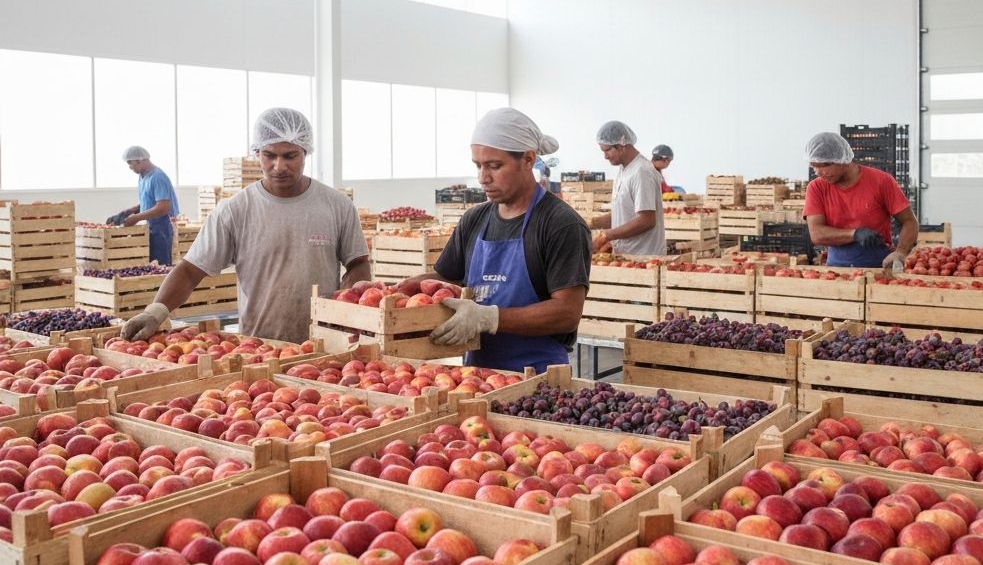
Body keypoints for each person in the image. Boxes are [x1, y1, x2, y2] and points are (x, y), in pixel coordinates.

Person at [120, 108, 370, 344]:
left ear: (305, 152)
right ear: (257, 153)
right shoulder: (235, 210)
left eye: (290, 156)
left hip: (325, 345)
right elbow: (190, 270)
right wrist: (155, 312)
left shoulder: (337, 205)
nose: (279, 166)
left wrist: (352, 303)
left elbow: (357, 263)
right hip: (259, 349)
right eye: (269, 155)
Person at [397, 107, 592, 372]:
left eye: (494, 166)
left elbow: (567, 313)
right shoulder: (475, 219)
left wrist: (489, 317)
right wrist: (405, 288)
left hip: (540, 377)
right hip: (475, 376)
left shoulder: (560, 224)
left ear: (528, 159)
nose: (483, 178)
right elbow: (449, 278)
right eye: (478, 165)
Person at [804, 131, 918, 269]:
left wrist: (901, 251)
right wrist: (855, 234)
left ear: (843, 160)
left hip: (879, 267)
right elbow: (817, 234)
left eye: (825, 165)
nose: (818, 172)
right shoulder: (816, 188)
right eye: (814, 165)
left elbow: (909, 221)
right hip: (836, 269)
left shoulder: (881, 181)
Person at [590, 122, 666, 256]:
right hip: (627, 256)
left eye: (607, 150)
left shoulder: (641, 171)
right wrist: (590, 223)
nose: (605, 156)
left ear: (621, 146)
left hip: (644, 258)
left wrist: (607, 235)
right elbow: (623, 214)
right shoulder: (623, 170)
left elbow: (647, 220)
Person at [107, 147, 180, 265]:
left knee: (160, 266)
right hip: (149, 228)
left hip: (161, 229)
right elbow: (149, 202)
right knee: (150, 266)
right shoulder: (143, 177)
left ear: (139, 160)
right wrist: (129, 211)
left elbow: (163, 207)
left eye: (130, 163)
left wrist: (136, 218)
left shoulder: (158, 177)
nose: (129, 167)